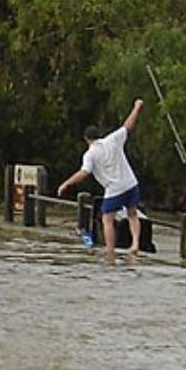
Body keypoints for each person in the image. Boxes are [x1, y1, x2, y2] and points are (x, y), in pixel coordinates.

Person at [55, 98, 146, 260]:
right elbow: (128, 125)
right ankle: (135, 244)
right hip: (131, 183)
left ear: (86, 139)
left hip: (115, 188)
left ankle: (110, 250)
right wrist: (137, 108)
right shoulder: (112, 140)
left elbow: (84, 172)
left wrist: (66, 183)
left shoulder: (90, 154)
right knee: (132, 214)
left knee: (107, 218)